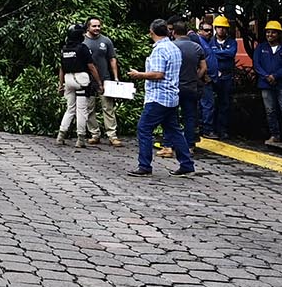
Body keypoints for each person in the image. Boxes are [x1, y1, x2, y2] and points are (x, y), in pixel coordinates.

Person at [125, 18, 196, 176]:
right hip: (171, 96)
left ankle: (144, 165)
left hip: (158, 96)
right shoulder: (173, 48)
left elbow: (158, 73)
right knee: (174, 130)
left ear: (152, 32)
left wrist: (139, 75)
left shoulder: (159, 50)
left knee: (144, 128)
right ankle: (186, 163)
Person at [56, 24, 103, 149]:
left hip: (68, 79)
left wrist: (61, 84)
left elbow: (61, 69)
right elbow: (91, 66)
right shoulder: (82, 48)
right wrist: (99, 83)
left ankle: (61, 135)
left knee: (70, 108)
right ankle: (80, 139)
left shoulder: (65, 49)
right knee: (81, 110)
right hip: (81, 79)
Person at [252, 20, 282, 146]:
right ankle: (275, 135)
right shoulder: (261, 48)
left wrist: (276, 76)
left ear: (278, 34)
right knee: (270, 111)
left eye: (273, 32)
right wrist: (266, 76)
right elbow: (257, 64)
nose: (270, 35)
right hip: (265, 84)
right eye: (268, 32)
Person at [168, 20, 208, 156]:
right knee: (190, 117)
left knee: (172, 116)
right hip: (191, 87)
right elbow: (204, 68)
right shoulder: (197, 47)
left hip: (174, 87)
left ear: (173, 32)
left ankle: (170, 144)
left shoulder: (171, 46)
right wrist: (195, 77)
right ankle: (190, 145)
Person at [81, 17, 122, 147]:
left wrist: (115, 77)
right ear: (88, 27)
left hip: (105, 79)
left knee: (108, 107)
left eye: (99, 26)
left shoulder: (106, 41)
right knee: (89, 108)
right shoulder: (82, 42)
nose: (97, 28)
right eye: (94, 26)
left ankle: (112, 135)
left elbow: (112, 59)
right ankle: (94, 134)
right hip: (87, 80)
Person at [204, 15, 238, 139]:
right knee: (210, 104)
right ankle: (209, 129)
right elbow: (208, 55)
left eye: (223, 28)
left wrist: (216, 53)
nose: (221, 30)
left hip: (226, 77)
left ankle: (222, 129)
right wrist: (220, 54)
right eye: (219, 28)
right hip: (213, 77)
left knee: (225, 104)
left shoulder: (232, 42)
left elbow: (231, 54)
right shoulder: (209, 42)